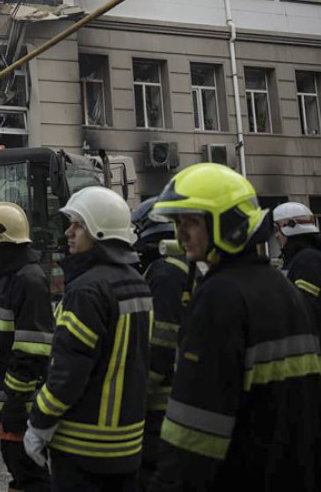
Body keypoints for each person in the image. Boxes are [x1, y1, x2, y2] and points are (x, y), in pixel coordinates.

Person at [149, 164, 321, 492]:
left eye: (190, 222)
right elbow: (318, 413)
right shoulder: (283, 290)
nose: (180, 235)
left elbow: (193, 431)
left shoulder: (218, 297)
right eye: (178, 223)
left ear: (226, 224)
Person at [24, 186, 152, 492]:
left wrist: (39, 422)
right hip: (128, 445)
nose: (69, 232)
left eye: (78, 225)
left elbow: (68, 372)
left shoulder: (87, 290)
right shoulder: (138, 284)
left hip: (83, 448)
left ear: (100, 230)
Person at [0, 202, 53, 492]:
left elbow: (31, 349)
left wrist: (16, 403)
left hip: (23, 404)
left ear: (2, 243)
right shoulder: (12, 279)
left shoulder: (28, 281)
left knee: (27, 469)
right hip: (14, 401)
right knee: (17, 464)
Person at [273, 201, 321, 476]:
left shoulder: (307, 260)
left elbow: (302, 314)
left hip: (312, 366)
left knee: (314, 439)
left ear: (289, 227)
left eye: (277, 229)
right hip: (312, 364)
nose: (276, 236)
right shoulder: (308, 257)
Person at [132, 199, 197, 488]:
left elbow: (160, 344)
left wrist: (136, 395)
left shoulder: (164, 273)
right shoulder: (178, 267)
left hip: (162, 404)